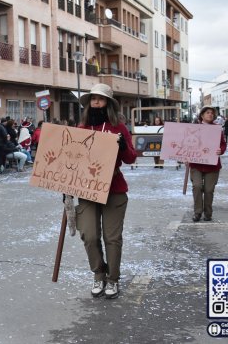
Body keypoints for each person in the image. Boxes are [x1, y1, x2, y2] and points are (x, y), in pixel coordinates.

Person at [75, 83, 137, 299]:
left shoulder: (119, 127)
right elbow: (70, 159)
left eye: (100, 99)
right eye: (93, 99)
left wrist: (122, 146)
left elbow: (131, 158)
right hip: (86, 190)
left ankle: (112, 279)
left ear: (108, 104)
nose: (96, 102)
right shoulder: (81, 129)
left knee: (112, 237)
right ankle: (98, 274)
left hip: (114, 188)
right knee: (89, 236)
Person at [190, 106, 227, 223]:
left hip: (212, 165)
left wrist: (221, 150)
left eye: (212, 113)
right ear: (202, 115)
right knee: (196, 187)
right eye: (208, 113)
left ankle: (208, 213)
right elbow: (187, 142)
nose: (210, 115)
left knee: (209, 189)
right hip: (196, 164)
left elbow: (223, 144)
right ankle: (197, 212)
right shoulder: (194, 128)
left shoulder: (217, 129)